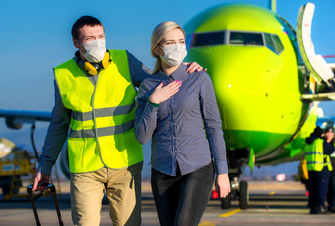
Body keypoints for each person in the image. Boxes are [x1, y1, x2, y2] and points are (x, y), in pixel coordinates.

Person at [32, 16, 203, 226]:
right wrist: (45, 165)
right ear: (77, 43)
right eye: (90, 38)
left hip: (125, 163)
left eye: (101, 36)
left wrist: (184, 68)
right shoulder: (63, 75)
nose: (98, 42)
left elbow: (160, 81)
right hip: (85, 168)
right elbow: (58, 126)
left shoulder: (125, 61)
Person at [134, 21, 230, 226]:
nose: (177, 47)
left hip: (198, 167)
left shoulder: (200, 78)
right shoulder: (148, 86)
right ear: (157, 49)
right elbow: (142, 137)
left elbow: (214, 126)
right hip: (162, 172)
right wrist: (153, 102)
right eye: (170, 42)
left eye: (181, 41)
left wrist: (222, 172)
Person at [305, 125, 335, 214]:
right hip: (321, 169)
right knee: (321, 189)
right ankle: (320, 207)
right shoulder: (320, 142)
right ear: (321, 135)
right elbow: (331, 151)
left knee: (313, 189)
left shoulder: (308, 142)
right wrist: (328, 141)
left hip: (311, 169)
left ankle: (312, 208)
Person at [325, 127, 335, 214]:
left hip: (334, 171)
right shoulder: (323, 143)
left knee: (334, 189)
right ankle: (326, 206)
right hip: (326, 170)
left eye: (331, 133)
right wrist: (327, 141)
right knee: (326, 190)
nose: (329, 135)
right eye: (328, 133)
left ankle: (332, 206)